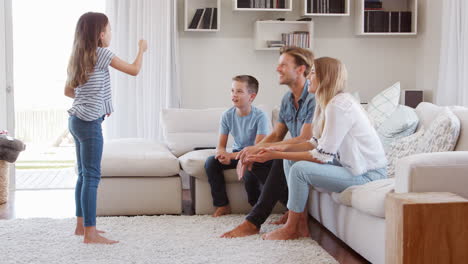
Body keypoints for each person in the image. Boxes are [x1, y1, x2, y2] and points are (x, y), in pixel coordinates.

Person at [247, 57, 388, 240]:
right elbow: (314, 143)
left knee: (299, 170)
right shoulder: (326, 103)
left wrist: (274, 153)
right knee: (291, 159)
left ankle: (292, 228)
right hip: (351, 168)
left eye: (313, 72)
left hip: (368, 175)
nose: (309, 76)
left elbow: (322, 156)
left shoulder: (339, 106)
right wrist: (276, 152)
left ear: (325, 77)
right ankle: (300, 222)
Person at [64, 12, 148, 244]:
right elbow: (134, 69)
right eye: (109, 30)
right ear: (101, 35)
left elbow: (69, 91)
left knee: (83, 175)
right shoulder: (102, 53)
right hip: (90, 123)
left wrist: (94, 102)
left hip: (76, 120)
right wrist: (141, 49)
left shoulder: (78, 56)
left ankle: (81, 226)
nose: (111, 34)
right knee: (91, 176)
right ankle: (90, 233)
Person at [221, 47, 316, 238]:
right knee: (257, 159)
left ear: (300, 69)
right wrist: (252, 150)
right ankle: (292, 208)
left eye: (283, 65)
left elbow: (305, 139)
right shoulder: (288, 99)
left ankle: (253, 222)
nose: (277, 69)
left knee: (280, 158)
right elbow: (277, 134)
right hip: (295, 152)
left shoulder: (313, 97)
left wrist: (270, 150)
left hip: (313, 153)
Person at [205, 75, 270, 217]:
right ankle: (222, 205)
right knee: (211, 162)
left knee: (250, 171)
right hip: (237, 153)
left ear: (251, 97)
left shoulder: (261, 117)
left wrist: (231, 156)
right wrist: (222, 155)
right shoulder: (227, 115)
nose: (234, 95)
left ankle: (257, 208)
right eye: (232, 90)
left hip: (255, 156)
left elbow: (257, 148)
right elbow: (221, 146)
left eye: (239, 91)